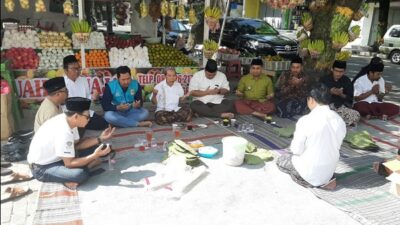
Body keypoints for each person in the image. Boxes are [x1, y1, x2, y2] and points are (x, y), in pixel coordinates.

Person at [28, 97, 116, 189]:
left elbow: (77, 146)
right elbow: (69, 163)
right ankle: (70, 176)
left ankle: (84, 165)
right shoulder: (64, 131)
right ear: (76, 116)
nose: (89, 120)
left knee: (97, 149)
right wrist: (94, 156)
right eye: (87, 117)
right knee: (80, 175)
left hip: (59, 157)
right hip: (42, 168)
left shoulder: (68, 120)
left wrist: (101, 138)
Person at [276, 84, 346, 189]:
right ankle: (325, 180)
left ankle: (309, 181)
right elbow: (337, 145)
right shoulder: (339, 120)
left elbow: (296, 150)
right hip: (329, 172)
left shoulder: (306, 120)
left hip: (309, 173)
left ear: (311, 100)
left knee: (281, 160)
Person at [63, 55, 108, 130]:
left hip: (85, 112)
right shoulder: (62, 82)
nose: (77, 71)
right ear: (65, 70)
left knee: (104, 124)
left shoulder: (83, 80)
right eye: (74, 69)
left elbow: (87, 97)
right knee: (71, 126)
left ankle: (80, 126)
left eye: (78, 68)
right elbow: (62, 105)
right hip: (70, 114)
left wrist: (94, 97)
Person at [321, 60, 360, 126]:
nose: (338, 74)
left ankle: (333, 122)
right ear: (332, 69)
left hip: (340, 108)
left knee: (356, 115)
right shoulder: (325, 79)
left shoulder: (347, 80)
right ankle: (336, 122)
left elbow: (350, 98)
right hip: (326, 107)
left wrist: (341, 94)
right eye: (336, 71)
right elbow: (318, 94)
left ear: (344, 71)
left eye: (341, 72)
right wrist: (329, 91)